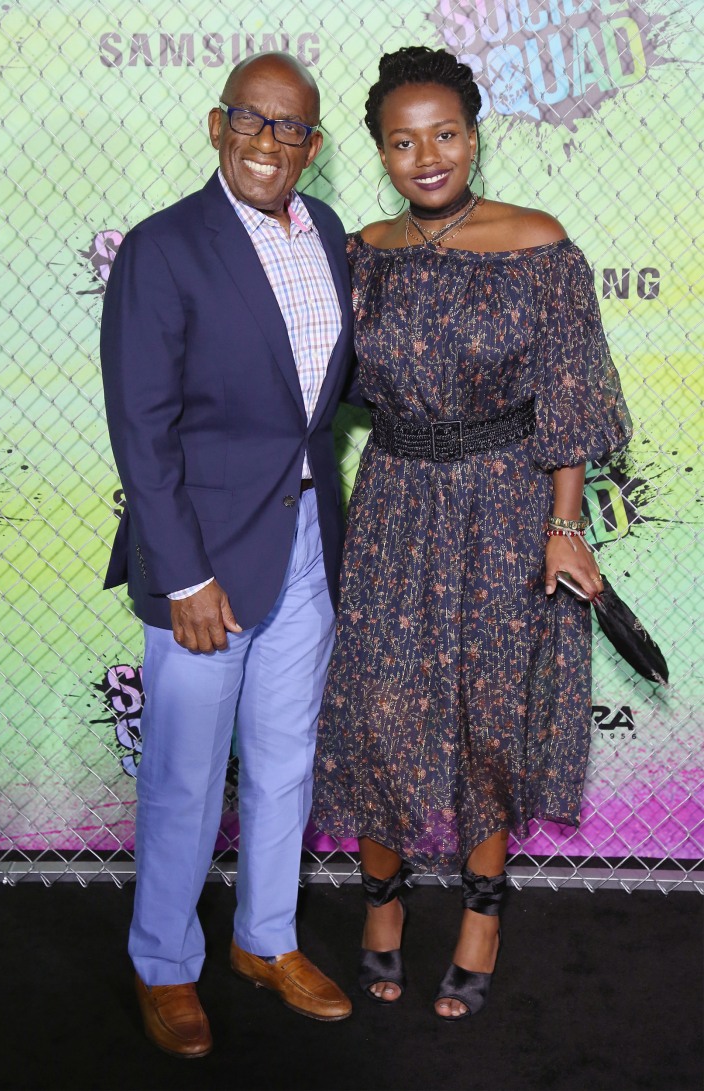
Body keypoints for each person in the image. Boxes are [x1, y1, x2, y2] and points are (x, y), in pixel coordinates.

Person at [313, 46, 632, 1021]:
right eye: (402, 141)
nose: (426, 156)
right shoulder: (363, 251)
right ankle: (381, 908)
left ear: (474, 133)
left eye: (443, 133)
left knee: (486, 717)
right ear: (378, 150)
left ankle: (482, 916)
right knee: (377, 713)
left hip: (503, 501)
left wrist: (565, 525)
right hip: (395, 495)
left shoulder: (537, 243)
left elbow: (570, 397)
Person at [100, 52, 355, 1058]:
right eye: (250, 119)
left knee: (287, 761)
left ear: (312, 146)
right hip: (205, 559)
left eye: (289, 127)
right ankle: (164, 960)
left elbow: (320, 401)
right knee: (183, 775)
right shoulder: (165, 248)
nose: (266, 140)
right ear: (217, 126)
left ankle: (265, 939)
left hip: (304, 542)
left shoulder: (329, 233)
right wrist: (183, 574)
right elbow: (141, 426)